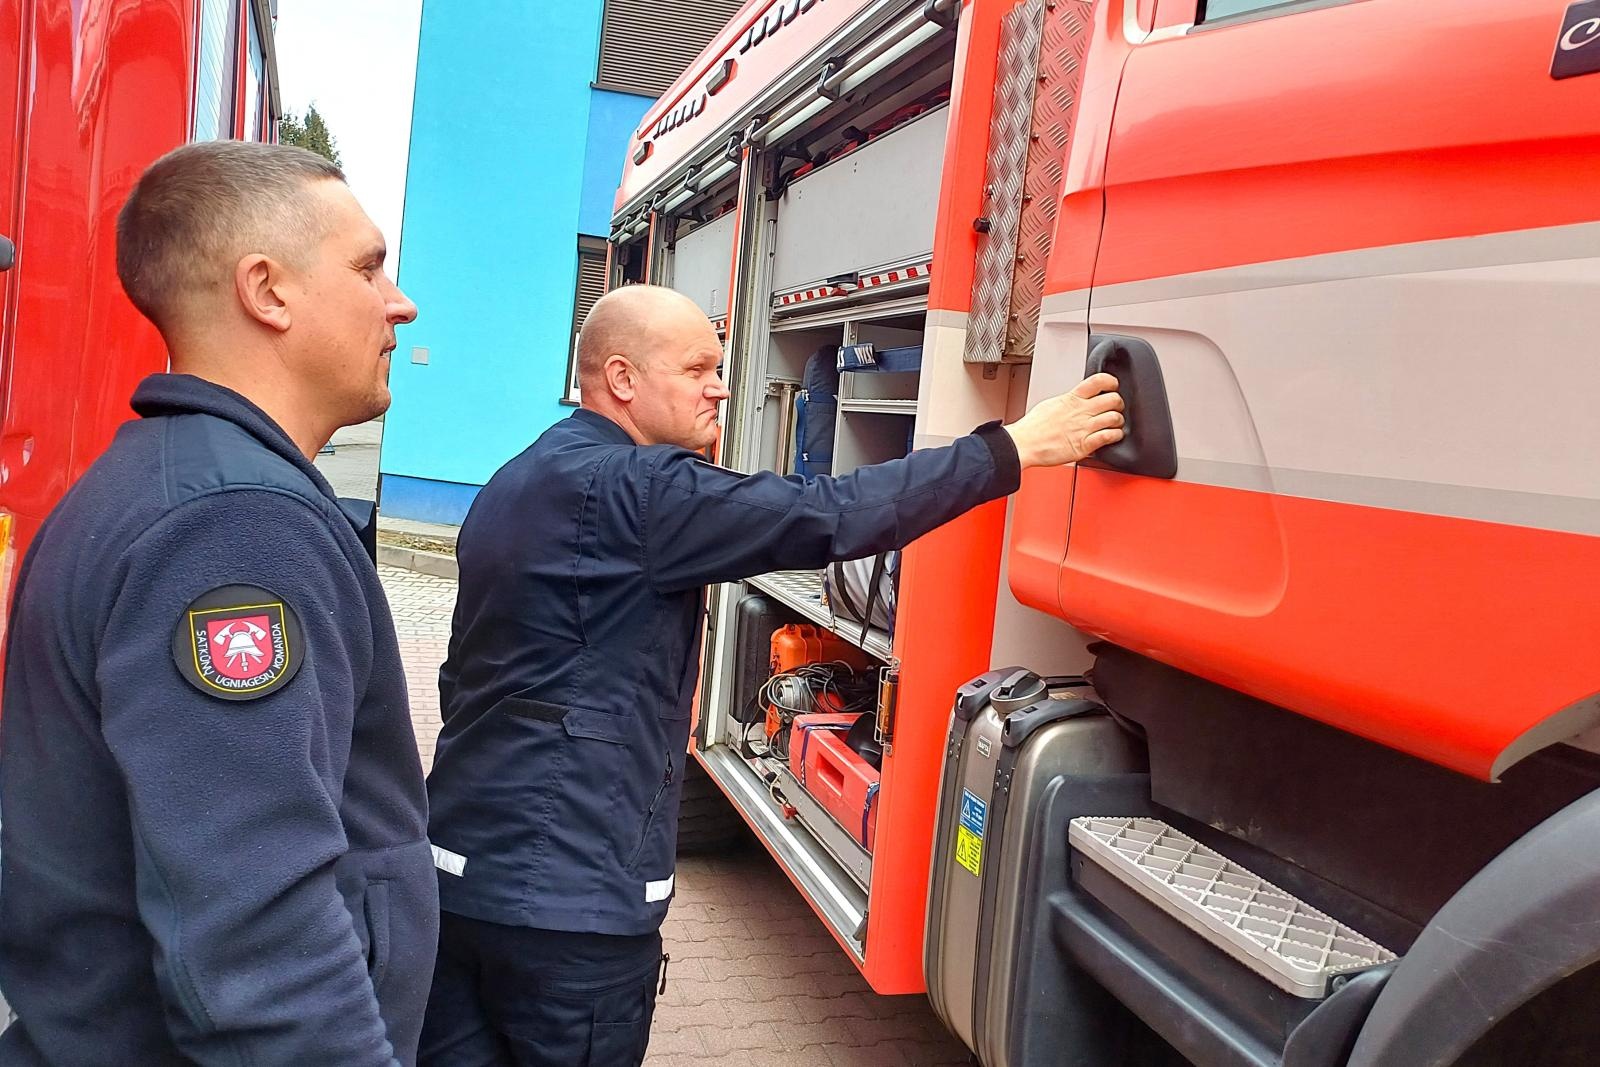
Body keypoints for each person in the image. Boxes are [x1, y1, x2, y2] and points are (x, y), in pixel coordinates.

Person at [418, 284, 1124, 1066]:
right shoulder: (643, 490)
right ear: (621, 378)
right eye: (697, 369)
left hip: (457, 877)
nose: (721, 387)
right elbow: (831, 512)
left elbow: (462, 676)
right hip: (572, 907)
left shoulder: (513, 481)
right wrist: (1014, 447)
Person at [0, 141, 437, 1066]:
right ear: (266, 290)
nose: (398, 303)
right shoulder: (232, 526)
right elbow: (259, 941)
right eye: (368, 268)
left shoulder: (170, 485)